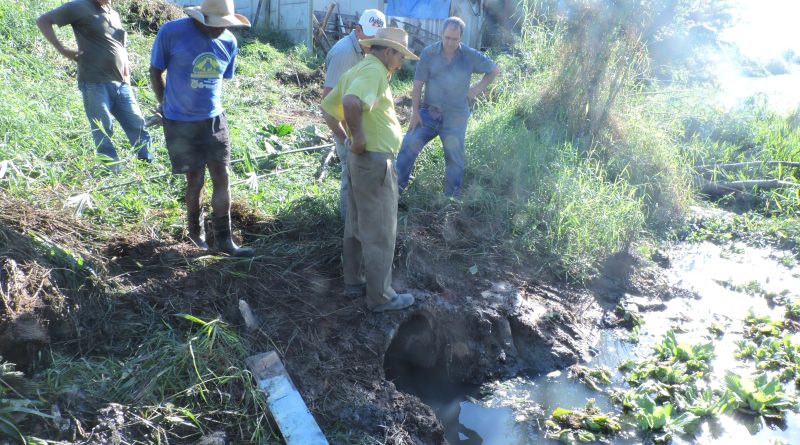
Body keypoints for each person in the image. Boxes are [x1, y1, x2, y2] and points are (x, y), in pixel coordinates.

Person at [320, 28, 419, 313]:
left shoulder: (359, 68)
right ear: (387, 51)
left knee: (355, 223)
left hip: (361, 163)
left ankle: (354, 281)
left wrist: (347, 138)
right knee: (380, 230)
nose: (401, 63)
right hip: (375, 162)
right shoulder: (374, 71)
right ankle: (381, 297)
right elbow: (350, 103)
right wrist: (359, 138)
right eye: (400, 56)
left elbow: (328, 109)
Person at [149, 0, 254, 257]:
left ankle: (225, 240)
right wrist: (165, 104)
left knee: (223, 176)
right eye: (216, 25)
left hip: (214, 120)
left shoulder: (229, 41)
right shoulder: (172, 32)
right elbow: (155, 71)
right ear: (201, 19)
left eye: (225, 25)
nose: (220, 29)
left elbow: (218, 79)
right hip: (180, 122)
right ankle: (196, 233)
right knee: (195, 180)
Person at [37, 0, 153, 170]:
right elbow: (43, 21)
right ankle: (112, 170)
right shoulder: (79, 6)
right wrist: (61, 49)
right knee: (103, 129)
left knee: (137, 125)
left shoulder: (113, 13)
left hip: (121, 84)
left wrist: (127, 76)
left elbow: (121, 46)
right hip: (94, 83)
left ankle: (147, 165)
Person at [395, 16, 500, 197]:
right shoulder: (429, 53)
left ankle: (450, 200)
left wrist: (475, 90)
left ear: (461, 38)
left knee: (455, 159)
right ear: (441, 34)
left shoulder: (469, 55)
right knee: (409, 143)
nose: (450, 42)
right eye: (447, 38)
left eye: (455, 39)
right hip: (429, 113)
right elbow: (418, 83)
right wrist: (414, 113)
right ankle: (395, 189)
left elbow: (494, 69)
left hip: (456, 116)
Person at [322, 9, 386, 222]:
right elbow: (328, 103)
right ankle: (346, 228)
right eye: (370, 35)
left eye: (378, 37)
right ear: (357, 30)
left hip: (358, 126)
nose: (373, 41)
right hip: (345, 127)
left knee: (360, 176)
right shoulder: (345, 53)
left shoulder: (369, 52)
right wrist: (344, 137)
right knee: (350, 176)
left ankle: (358, 223)